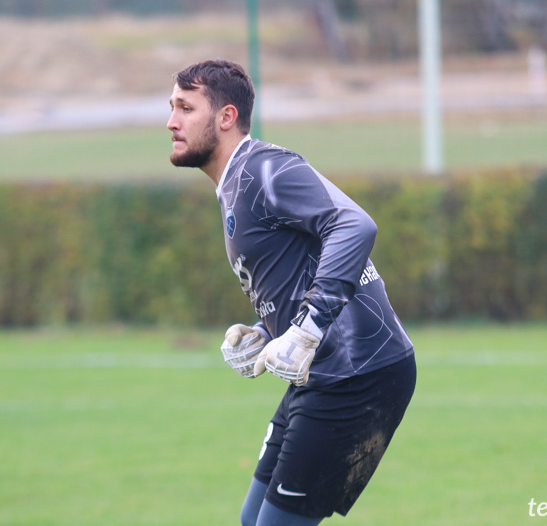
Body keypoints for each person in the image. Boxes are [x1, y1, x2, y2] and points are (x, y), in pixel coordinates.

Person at [167, 59, 416, 526]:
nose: (171, 121)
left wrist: (308, 327)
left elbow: (355, 225)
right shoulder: (234, 184)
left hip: (359, 373)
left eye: (185, 107)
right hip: (324, 374)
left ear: (225, 117)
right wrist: (270, 328)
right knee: (252, 519)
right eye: (172, 107)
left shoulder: (263, 168)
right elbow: (306, 262)